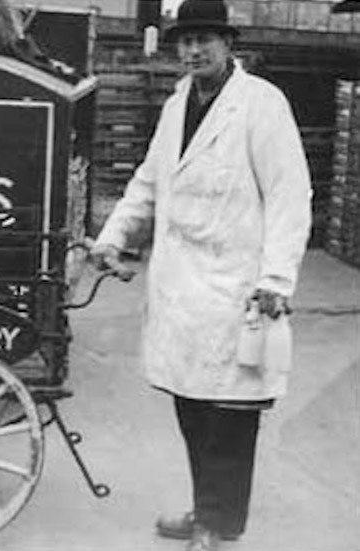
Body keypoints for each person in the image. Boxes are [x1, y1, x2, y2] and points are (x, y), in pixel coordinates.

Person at [90, 0, 312, 550]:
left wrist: (276, 280)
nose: (193, 50)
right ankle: (205, 509)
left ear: (227, 43)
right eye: (185, 41)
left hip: (239, 285)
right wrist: (114, 235)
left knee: (231, 419)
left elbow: (291, 194)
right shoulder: (176, 105)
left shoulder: (261, 105)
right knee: (192, 407)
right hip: (182, 287)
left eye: (205, 39)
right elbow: (149, 180)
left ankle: (218, 525)